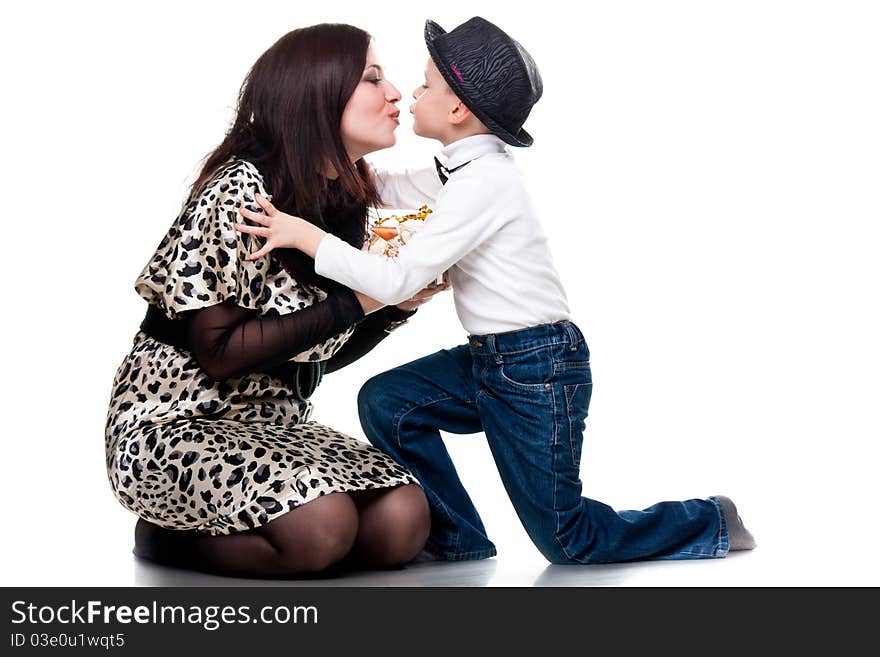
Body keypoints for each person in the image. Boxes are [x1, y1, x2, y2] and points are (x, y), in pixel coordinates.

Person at [235, 17, 756, 564]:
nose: (410, 93)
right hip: (492, 358)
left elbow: (397, 281)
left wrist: (308, 237)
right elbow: (386, 188)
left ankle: (711, 519)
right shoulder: (463, 168)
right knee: (388, 403)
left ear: (457, 110)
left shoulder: (485, 183)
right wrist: (324, 162)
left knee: (569, 540)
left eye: (427, 86)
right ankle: (457, 538)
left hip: (538, 366)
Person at [105, 23, 453, 579]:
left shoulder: (343, 200)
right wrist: (367, 298)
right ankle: (166, 538)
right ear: (315, 92)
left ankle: (274, 534)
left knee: (403, 521)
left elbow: (318, 354)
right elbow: (219, 353)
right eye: (372, 78)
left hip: (275, 427)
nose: (394, 93)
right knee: (322, 530)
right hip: (175, 428)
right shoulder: (241, 190)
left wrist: (395, 308)